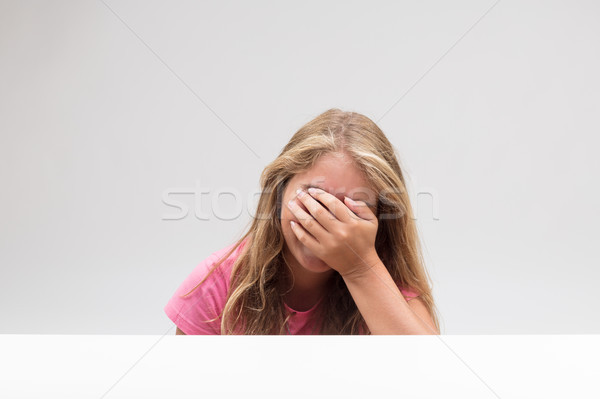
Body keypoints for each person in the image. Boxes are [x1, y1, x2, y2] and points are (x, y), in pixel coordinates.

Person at [164, 108, 441, 335]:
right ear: (280, 191)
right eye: (313, 198)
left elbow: (431, 377)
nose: (326, 222)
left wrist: (359, 268)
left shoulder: (390, 289)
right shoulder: (220, 285)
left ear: (381, 218)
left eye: (352, 209)